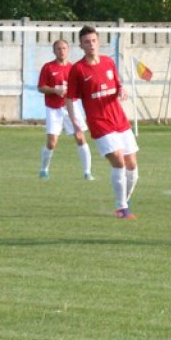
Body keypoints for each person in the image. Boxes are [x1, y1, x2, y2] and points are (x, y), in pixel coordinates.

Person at [66, 25, 139, 219]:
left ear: (98, 42)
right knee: (118, 161)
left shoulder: (108, 62)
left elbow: (117, 84)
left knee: (133, 167)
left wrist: (121, 90)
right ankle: (121, 208)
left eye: (93, 40)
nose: (91, 44)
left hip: (119, 120)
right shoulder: (78, 69)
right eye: (86, 42)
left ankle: (125, 199)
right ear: (81, 46)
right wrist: (75, 123)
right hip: (99, 123)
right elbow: (70, 98)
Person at [37, 39, 94, 181]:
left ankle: (87, 172)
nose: (61, 51)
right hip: (53, 108)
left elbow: (81, 88)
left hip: (71, 107)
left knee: (80, 137)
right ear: (54, 51)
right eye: (58, 48)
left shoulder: (74, 68)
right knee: (52, 142)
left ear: (68, 50)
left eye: (64, 48)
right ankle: (44, 170)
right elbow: (41, 87)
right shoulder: (48, 67)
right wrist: (55, 90)